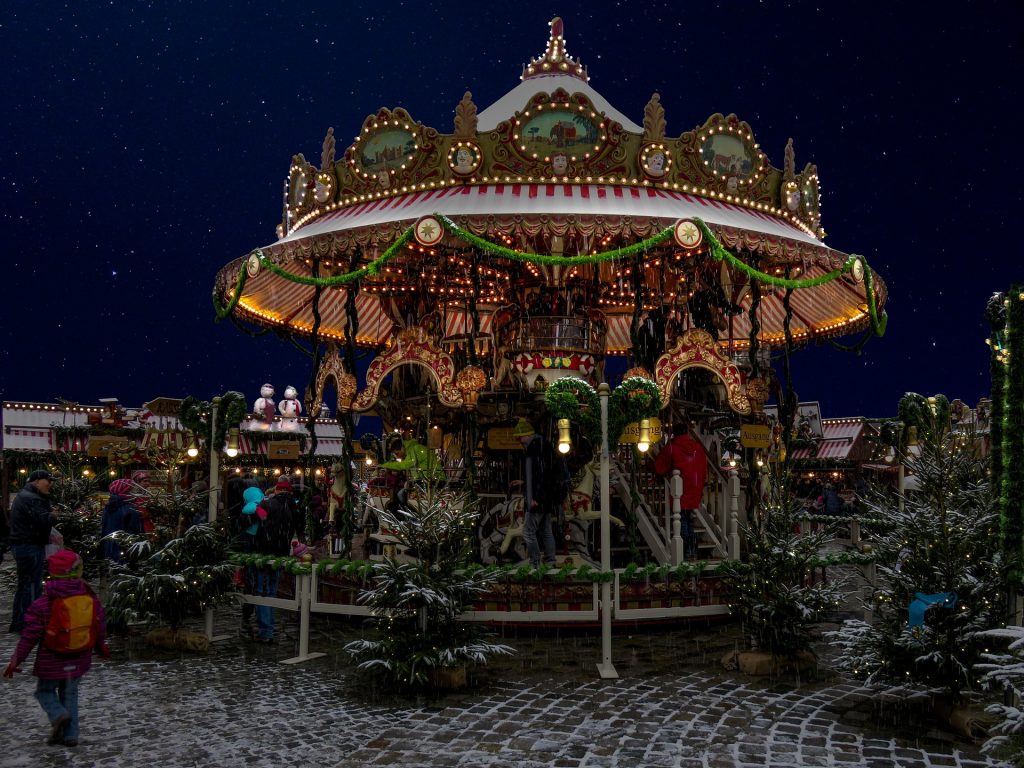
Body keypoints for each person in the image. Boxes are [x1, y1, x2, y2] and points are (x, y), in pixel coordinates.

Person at [3, 549, 109, 747]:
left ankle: (58, 713)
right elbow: (99, 625)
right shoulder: (89, 598)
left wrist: (17, 659)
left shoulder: (43, 603)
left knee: (44, 691)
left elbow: (30, 635)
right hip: (78, 658)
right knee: (70, 694)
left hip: (50, 661)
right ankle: (71, 735)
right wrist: (101, 647)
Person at [8, 470, 59, 634]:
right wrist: (53, 515)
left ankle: (20, 622)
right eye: (48, 480)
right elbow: (42, 520)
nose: (50, 484)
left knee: (25, 584)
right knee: (31, 585)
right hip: (29, 545)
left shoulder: (27, 496)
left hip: (25, 545)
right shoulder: (32, 499)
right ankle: (29, 623)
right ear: (36, 481)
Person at [514, 418, 568, 568]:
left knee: (528, 533)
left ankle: (535, 563)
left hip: (538, 498)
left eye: (520, 437)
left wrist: (534, 497)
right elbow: (545, 476)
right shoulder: (546, 445)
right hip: (549, 498)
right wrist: (524, 483)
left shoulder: (534, 449)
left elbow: (538, 476)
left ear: (526, 435)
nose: (519, 441)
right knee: (546, 531)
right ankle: (550, 561)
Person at [653, 423, 708, 558]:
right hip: (695, 486)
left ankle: (685, 551)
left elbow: (660, 467)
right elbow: (703, 468)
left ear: (674, 434)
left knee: (682, 519)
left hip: (681, 487)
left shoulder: (672, 447)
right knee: (688, 518)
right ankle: (692, 550)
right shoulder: (698, 447)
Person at [251, 481, 296, 643]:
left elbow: (256, 519)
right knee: (271, 591)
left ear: (277, 490)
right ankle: (268, 626)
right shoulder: (293, 508)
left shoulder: (268, 504)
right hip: (280, 554)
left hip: (264, 554)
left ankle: (266, 630)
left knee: (262, 592)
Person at [99, 479, 144, 562]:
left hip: (109, 547)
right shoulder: (129, 508)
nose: (135, 492)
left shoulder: (109, 506)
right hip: (125, 549)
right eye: (132, 489)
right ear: (126, 490)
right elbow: (134, 530)